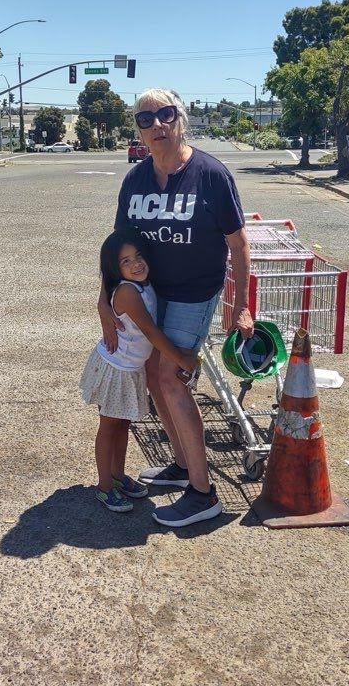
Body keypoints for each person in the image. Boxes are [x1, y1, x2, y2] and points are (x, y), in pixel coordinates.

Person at [103, 88, 253, 528]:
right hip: (149, 293)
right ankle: (183, 464)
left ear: (180, 119)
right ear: (139, 131)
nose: (157, 126)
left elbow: (239, 246)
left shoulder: (210, 174)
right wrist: (103, 302)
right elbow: (116, 249)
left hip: (193, 293)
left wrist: (241, 307)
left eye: (165, 115)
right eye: (145, 120)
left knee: (169, 376)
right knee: (153, 374)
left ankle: (203, 494)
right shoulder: (136, 180)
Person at [81, 230, 200, 513]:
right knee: (109, 426)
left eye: (138, 256)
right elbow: (151, 331)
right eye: (125, 261)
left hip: (130, 368)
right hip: (115, 369)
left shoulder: (144, 285)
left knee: (123, 423)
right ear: (114, 268)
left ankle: (119, 476)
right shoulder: (126, 291)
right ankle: (104, 486)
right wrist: (182, 359)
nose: (136, 264)